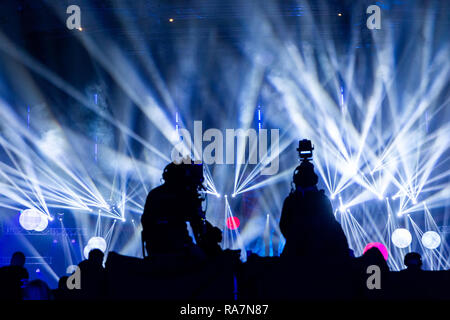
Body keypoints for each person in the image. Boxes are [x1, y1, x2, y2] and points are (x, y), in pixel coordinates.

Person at [141, 161, 222, 258]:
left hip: (154, 250)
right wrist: (212, 234)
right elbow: (198, 223)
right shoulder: (185, 195)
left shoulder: (154, 194)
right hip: (179, 250)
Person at [279, 160, 349, 260]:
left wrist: (296, 240)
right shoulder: (322, 200)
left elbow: (283, 226)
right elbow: (331, 224)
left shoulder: (290, 201)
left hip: (295, 256)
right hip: (321, 256)